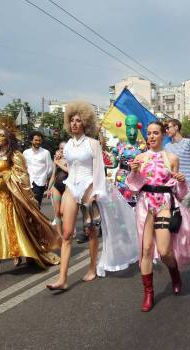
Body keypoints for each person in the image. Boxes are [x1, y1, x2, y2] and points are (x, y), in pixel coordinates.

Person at [47, 101, 138, 289]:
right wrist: (59, 165)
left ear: (85, 123)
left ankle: (91, 267)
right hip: (71, 187)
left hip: (89, 187)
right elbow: (72, 168)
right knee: (67, 233)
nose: (74, 123)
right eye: (71, 120)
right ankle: (62, 279)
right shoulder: (69, 146)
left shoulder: (93, 144)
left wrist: (96, 193)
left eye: (78, 120)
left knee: (91, 231)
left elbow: (98, 171)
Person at [126, 122, 190, 311]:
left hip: (165, 203)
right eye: (149, 133)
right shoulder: (140, 158)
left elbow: (179, 192)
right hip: (145, 204)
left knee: (164, 251)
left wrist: (181, 181)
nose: (151, 136)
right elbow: (134, 185)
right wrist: (133, 172)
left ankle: (174, 273)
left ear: (163, 135)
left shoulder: (172, 158)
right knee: (146, 249)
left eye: (155, 133)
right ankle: (148, 293)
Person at [0, 128, 60, 278]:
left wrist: (4, 175)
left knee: (0, 229)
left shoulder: (16, 155)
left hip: (10, 199)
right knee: (18, 229)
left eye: (2, 135)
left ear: (8, 138)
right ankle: (29, 254)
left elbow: (22, 175)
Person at [165, 113, 190, 216]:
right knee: (176, 218)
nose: (167, 130)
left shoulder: (188, 142)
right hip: (173, 187)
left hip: (187, 185)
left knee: (186, 216)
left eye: (168, 127)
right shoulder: (167, 146)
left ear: (176, 127)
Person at [23, 131, 52, 207]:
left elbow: (50, 168)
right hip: (28, 182)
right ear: (31, 141)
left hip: (40, 182)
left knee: (36, 205)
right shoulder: (26, 153)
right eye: (36, 140)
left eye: (39, 140)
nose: (38, 142)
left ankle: (35, 219)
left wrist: (46, 178)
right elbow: (23, 166)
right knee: (27, 205)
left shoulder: (46, 153)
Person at [47, 141, 68, 236]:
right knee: (57, 212)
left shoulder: (70, 159)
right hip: (57, 187)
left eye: (65, 148)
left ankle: (68, 231)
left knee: (64, 211)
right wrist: (48, 188)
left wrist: (57, 163)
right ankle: (60, 236)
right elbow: (53, 175)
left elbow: (69, 170)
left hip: (67, 188)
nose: (63, 150)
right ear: (59, 149)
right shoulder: (57, 160)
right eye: (61, 148)